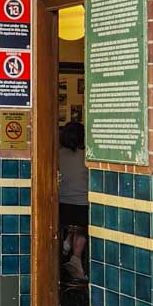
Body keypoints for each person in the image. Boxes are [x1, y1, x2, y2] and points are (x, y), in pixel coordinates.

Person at [59, 119, 88, 280]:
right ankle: (76, 257)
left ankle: (68, 239)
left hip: (62, 208)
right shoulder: (86, 156)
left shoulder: (58, 154)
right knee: (85, 224)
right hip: (82, 207)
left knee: (73, 225)